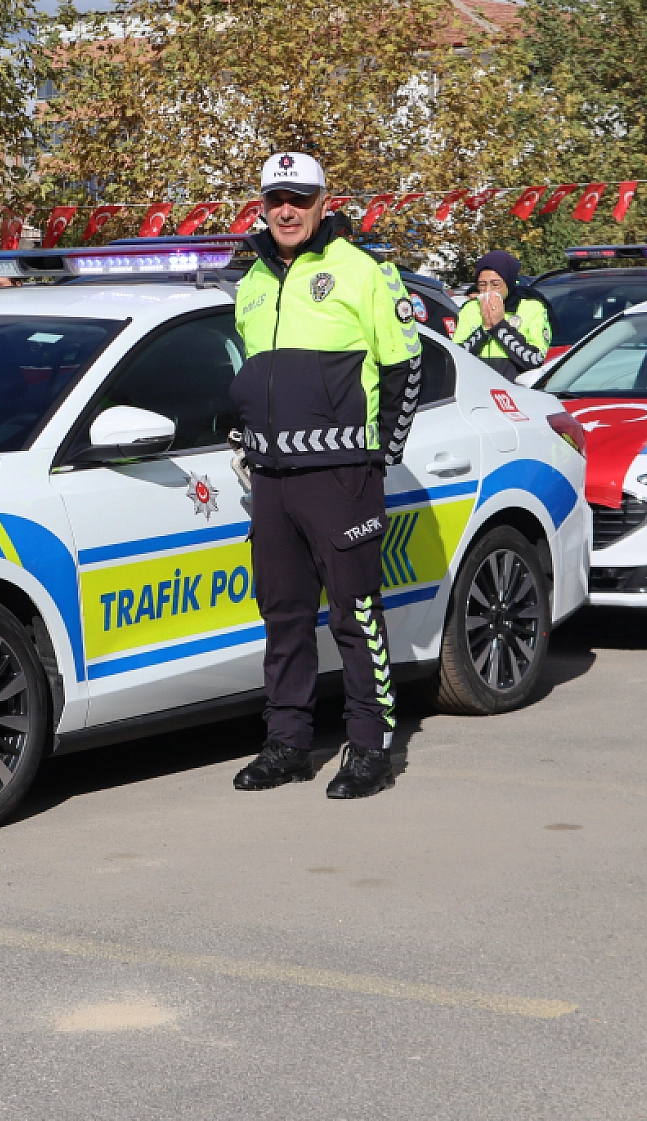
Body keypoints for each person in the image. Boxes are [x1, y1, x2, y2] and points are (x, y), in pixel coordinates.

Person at [227, 151, 423, 800]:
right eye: (276, 199)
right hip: (272, 480)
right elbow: (256, 374)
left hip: (341, 476)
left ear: (323, 202)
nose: (287, 210)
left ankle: (370, 748)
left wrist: (380, 456)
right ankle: (287, 744)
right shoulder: (252, 281)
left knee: (356, 616)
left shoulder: (363, 270)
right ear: (262, 205)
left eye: (300, 198)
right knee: (283, 617)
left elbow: (406, 365)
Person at [451, 249, 550, 379]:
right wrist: (484, 330)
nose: (488, 290)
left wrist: (500, 326)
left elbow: (535, 359)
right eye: (482, 284)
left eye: (495, 284)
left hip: (514, 386)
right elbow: (456, 355)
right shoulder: (470, 309)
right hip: (476, 385)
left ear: (508, 282)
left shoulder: (532, 307)